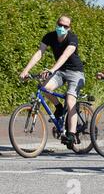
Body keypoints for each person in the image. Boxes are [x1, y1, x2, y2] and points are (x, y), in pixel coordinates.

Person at [19, 15, 85, 149]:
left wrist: (51, 70)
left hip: (76, 73)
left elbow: (65, 55)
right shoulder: (49, 36)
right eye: (60, 25)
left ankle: (71, 134)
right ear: (56, 24)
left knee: (70, 100)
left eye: (65, 26)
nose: (62, 28)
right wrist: (25, 70)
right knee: (44, 87)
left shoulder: (72, 38)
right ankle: (59, 108)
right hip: (60, 72)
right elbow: (39, 53)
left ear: (69, 28)